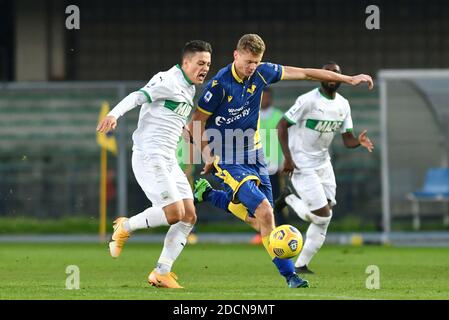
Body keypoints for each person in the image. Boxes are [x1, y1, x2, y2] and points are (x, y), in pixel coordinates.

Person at [188, 34, 373, 289]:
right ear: (236, 55)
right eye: (248, 61)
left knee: (263, 219)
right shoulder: (220, 84)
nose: (252, 67)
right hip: (226, 156)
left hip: (254, 153)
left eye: (256, 61)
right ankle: (291, 276)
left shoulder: (262, 73)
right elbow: (195, 122)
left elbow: (307, 74)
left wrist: (348, 79)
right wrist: (208, 156)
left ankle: (209, 194)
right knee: (265, 211)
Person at [96, 40, 212, 288]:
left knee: (189, 216)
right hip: (149, 155)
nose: (205, 68)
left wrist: (205, 152)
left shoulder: (189, 89)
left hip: (168, 157)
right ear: (186, 63)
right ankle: (125, 226)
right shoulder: (167, 80)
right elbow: (137, 96)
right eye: (201, 63)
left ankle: (161, 272)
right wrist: (114, 114)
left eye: (208, 64)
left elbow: (176, 124)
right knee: (174, 214)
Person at [275, 62, 374, 274]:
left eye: (336, 74)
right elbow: (281, 125)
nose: (332, 77)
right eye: (328, 73)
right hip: (302, 163)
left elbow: (347, 139)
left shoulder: (343, 105)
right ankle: (289, 198)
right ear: (321, 77)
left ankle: (300, 265)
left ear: (340, 79)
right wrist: (288, 158)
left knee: (324, 216)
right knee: (322, 216)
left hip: (323, 163)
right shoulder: (308, 100)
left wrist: (359, 141)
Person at [251, 87, 286, 244]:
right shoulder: (252, 116)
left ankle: (281, 232)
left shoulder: (279, 117)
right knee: (258, 202)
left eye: (267, 97)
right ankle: (263, 233)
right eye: (262, 97)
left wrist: (284, 162)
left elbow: (286, 140)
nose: (264, 100)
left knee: (277, 200)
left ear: (270, 98)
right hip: (255, 167)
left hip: (273, 167)